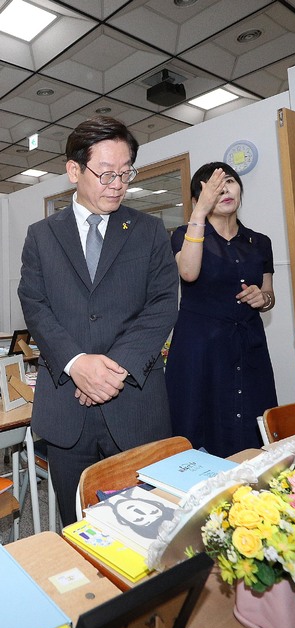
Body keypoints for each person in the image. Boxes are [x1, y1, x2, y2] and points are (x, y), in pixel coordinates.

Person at [18, 116, 179, 525]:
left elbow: (162, 304)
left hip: (135, 404)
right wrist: (77, 364)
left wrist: (110, 372)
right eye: (107, 173)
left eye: (126, 173)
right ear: (74, 170)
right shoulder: (41, 235)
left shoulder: (148, 230)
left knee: (146, 525)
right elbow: (35, 305)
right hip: (66, 408)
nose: (118, 184)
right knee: (76, 525)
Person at [165, 162, 278, 457]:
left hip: (248, 345)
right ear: (196, 199)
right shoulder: (182, 234)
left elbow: (269, 295)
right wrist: (199, 214)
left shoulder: (260, 242)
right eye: (211, 187)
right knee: (198, 427)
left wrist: (262, 299)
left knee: (252, 426)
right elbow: (188, 272)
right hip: (200, 349)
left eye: (229, 182)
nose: (224, 190)